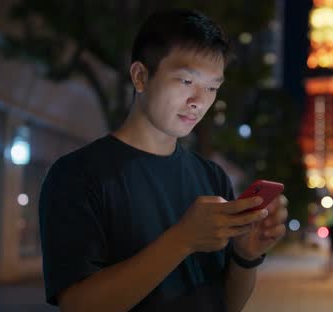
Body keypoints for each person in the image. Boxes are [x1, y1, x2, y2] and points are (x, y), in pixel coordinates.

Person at [38, 9, 288, 312]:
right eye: (185, 81)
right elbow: (78, 305)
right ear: (140, 76)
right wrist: (182, 239)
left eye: (212, 88)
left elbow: (226, 305)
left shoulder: (212, 177)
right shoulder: (76, 175)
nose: (199, 100)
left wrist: (245, 257)